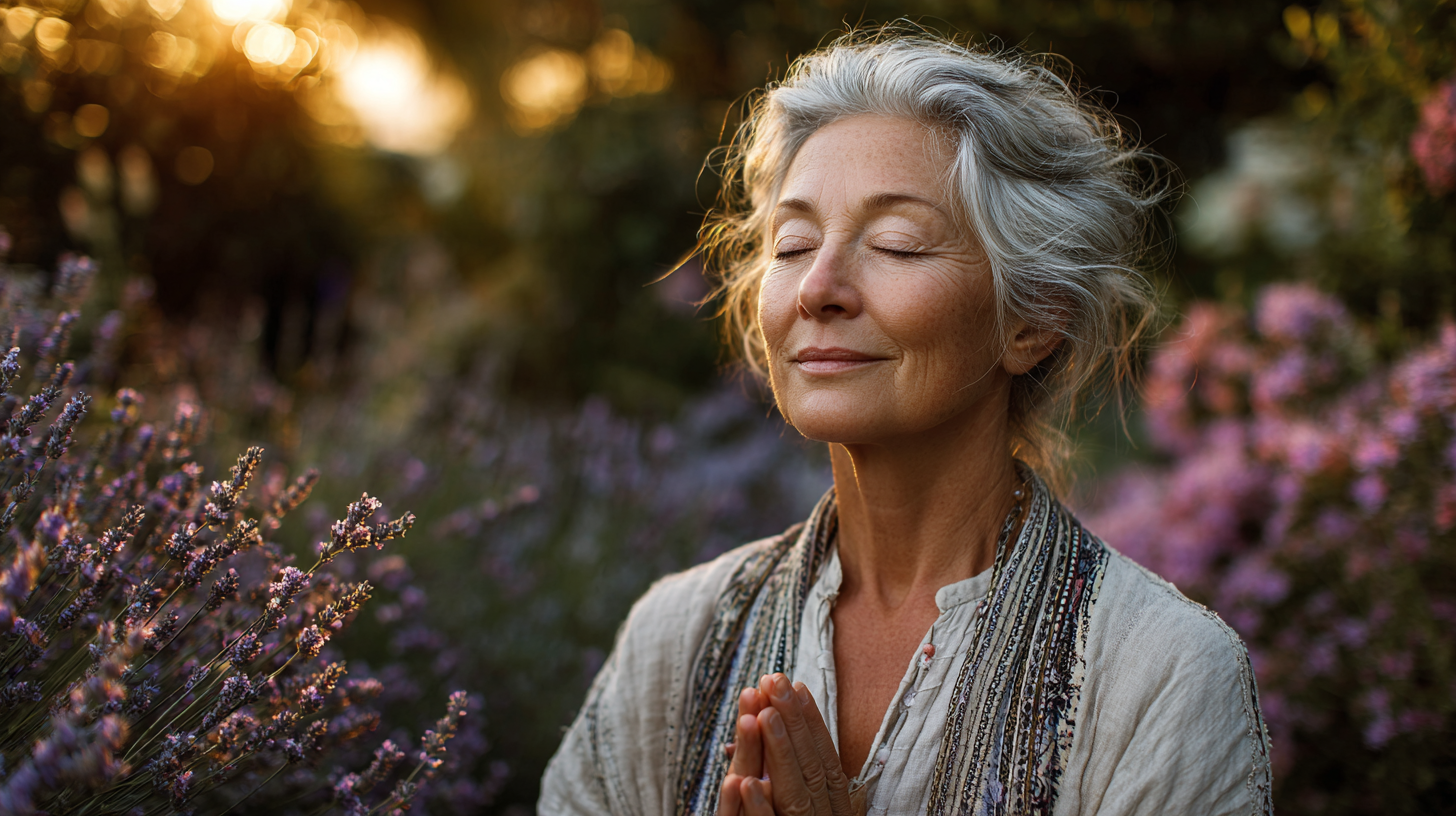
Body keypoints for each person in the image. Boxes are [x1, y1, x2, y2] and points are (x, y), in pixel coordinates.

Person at [539, 28, 1272, 816]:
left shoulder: (1163, 678)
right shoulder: (673, 644)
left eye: (896, 243)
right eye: (793, 245)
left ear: (1033, 321)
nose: (819, 287)